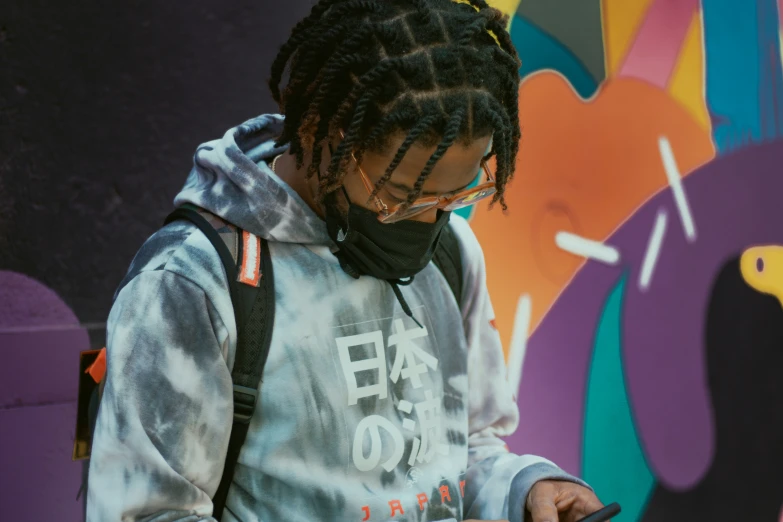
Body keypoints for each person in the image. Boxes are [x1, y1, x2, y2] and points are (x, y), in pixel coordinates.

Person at [86, 0, 606, 520]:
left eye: (455, 196)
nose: (426, 224)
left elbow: (464, 452)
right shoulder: (192, 282)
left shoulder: (452, 254)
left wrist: (524, 487)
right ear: (318, 132)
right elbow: (150, 511)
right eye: (399, 194)